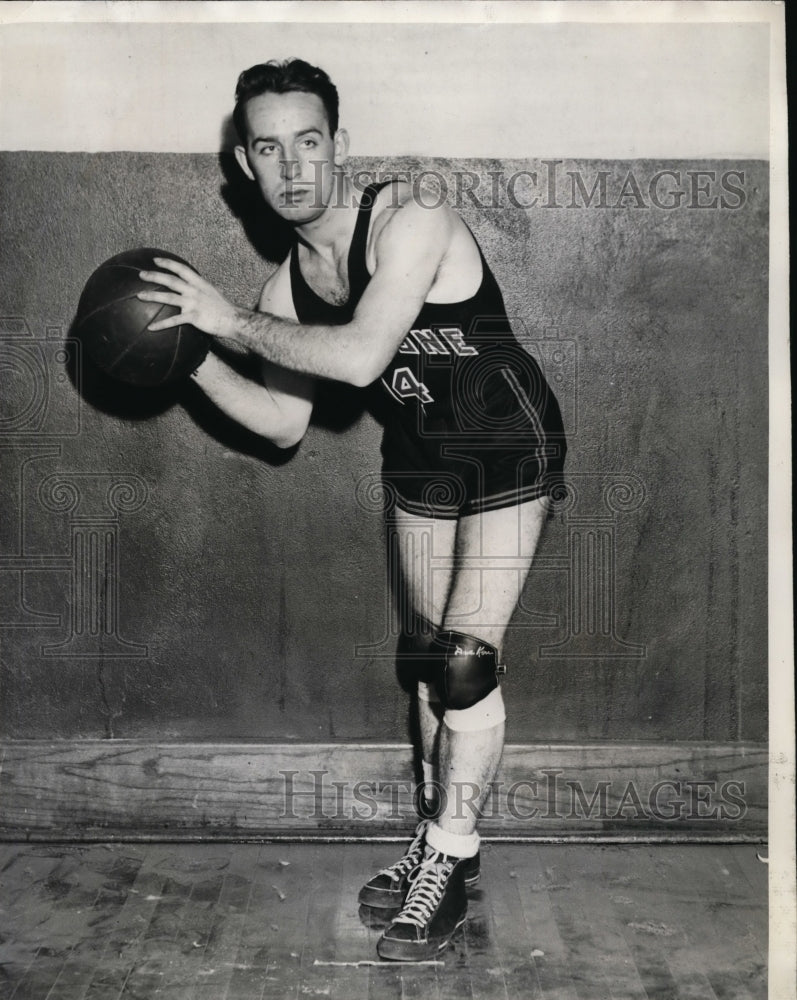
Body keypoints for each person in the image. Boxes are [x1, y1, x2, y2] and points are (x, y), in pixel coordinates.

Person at [137, 58, 567, 962]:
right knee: (423, 663)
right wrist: (188, 358)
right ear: (245, 169)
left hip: (505, 441)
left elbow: (363, 358)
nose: (292, 166)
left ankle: (451, 856)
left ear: (340, 146)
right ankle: (434, 834)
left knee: (463, 661)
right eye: (268, 148)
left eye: (308, 141)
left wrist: (222, 323)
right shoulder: (285, 291)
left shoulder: (410, 215)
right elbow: (282, 423)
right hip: (419, 457)